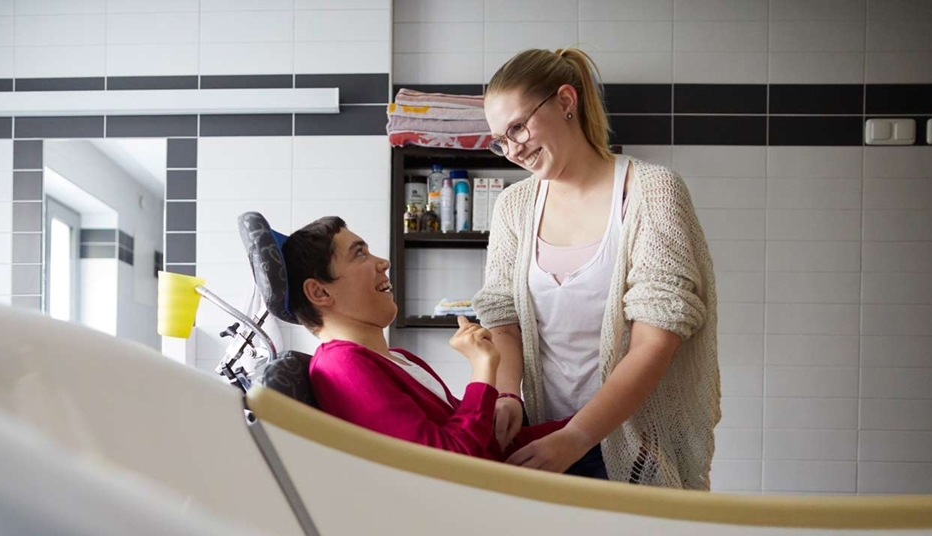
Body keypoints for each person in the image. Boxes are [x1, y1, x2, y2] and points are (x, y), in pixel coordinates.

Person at [473, 47, 721, 489]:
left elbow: (655, 340)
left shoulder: (652, 192)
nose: (512, 150)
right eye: (500, 140)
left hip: (636, 443)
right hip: (545, 434)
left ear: (565, 101)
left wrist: (577, 436)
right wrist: (509, 394)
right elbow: (503, 319)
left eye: (518, 127)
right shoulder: (514, 205)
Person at [281, 216, 606, 477]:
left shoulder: (398, 358)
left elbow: (485, 441)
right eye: (359, 254)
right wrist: (483, 369)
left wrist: (591, 428)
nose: (383, 262)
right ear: (320, 292)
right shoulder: (341, 366)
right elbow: (448, 465)